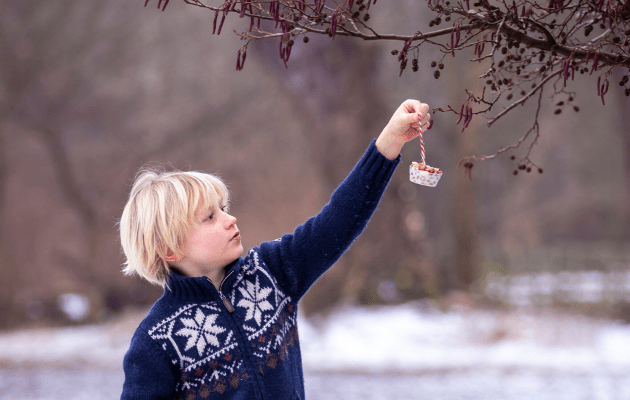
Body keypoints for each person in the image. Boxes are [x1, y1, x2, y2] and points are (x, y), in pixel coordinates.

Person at [119, 99, 431, 400]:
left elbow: (339, 220)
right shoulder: (154, 343)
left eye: (224, 208)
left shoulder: (271, 272)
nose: (230, 220)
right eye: (211, 217)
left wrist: (389, 142)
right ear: (169, 249)